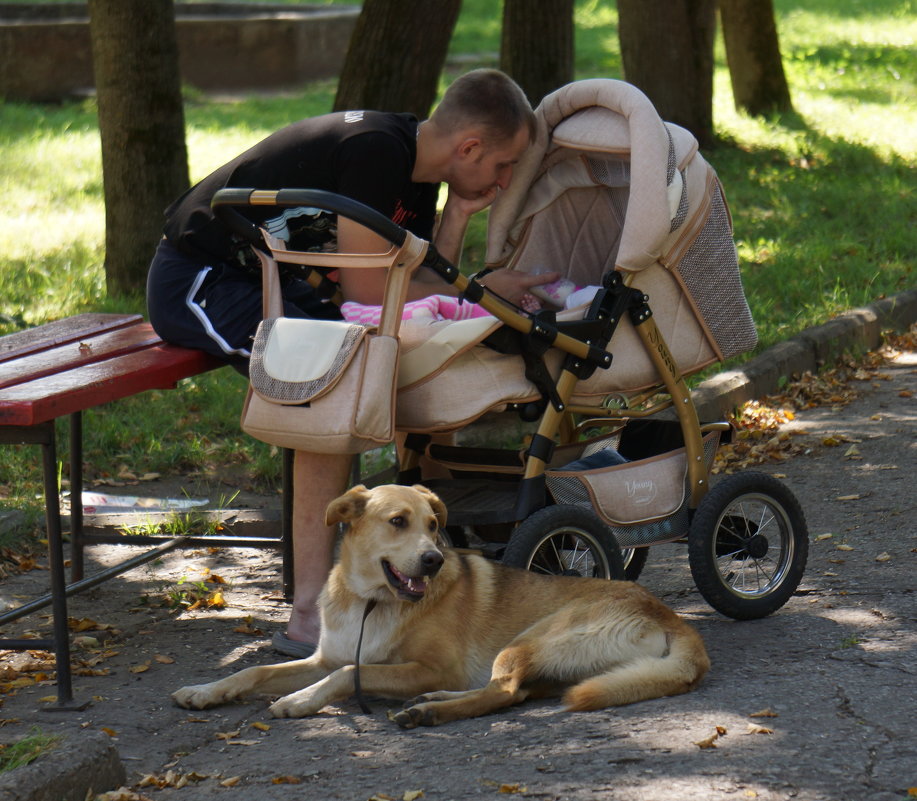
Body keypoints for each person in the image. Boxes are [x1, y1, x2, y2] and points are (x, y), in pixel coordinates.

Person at [146, 69, 558, 657]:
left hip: (270, 280)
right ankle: (311, 612)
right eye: (502, 165)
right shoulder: (376, 154)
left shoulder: (415, 173)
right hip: (204, 279)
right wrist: (480, 292)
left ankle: (402, 572)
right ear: (469, 147)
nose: (505, 179)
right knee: (327, 397)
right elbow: (370, 293)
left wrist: (461, 215)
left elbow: (409, 279)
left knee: (352, 367)